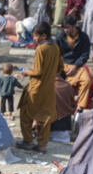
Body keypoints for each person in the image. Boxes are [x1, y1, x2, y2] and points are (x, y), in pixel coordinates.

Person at [16, 23, 61, 153]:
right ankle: (42, 145)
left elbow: (37, 71)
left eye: (35, 36)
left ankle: (28, 141)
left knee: (25, 114)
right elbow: (60, 67)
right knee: (45, 117)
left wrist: (26, 72)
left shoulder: (41, 49)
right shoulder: (55, 47)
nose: (34, 39)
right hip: (49, 88)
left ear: (44, 36)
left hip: (36, 88)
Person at [54, 17, 92, 111]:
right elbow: (56, 54)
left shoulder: (83, 37)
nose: (65, 30)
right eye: (64, 28)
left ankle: (80, 107)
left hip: (78, 65)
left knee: (86, 80)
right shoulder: (60, 38)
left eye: (67, 27)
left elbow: (85, 55)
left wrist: (75, 66)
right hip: (64, 64)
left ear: (74, 26)